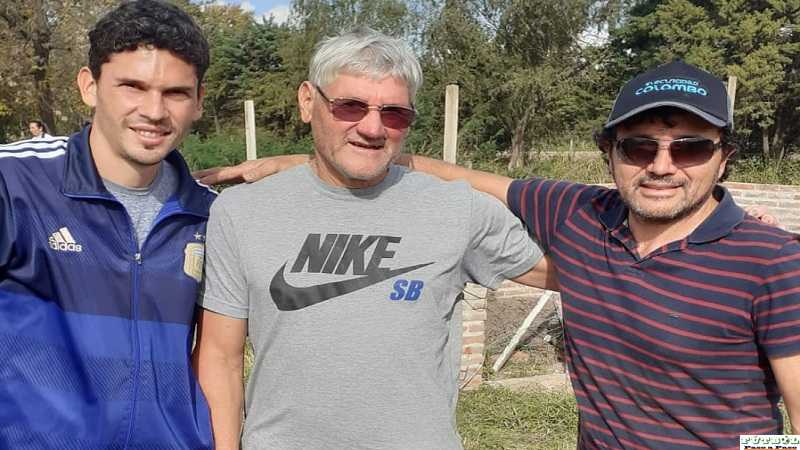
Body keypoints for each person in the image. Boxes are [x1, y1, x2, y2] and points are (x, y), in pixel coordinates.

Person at [200, 61, 800, 448]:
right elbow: (466, 176)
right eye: (639, 146)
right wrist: (302, 166)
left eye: (691, 147)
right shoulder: (580, 217)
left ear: (725, 157)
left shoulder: (772, 260)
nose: (663, 165)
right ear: (609, 153)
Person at [192, 28, 552, 450]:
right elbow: (219, 357)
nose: (373, 127)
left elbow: (582, 267)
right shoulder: (241, 211)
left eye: (395, 113)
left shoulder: (458, 210)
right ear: (308, 101)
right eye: (350, 106)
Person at [0, 1, 214, 448]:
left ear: (198, 101)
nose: (154, 111)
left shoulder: (212, 216)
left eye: (175, 92)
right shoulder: (16, 182)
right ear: (89, 85)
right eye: (132, 86)